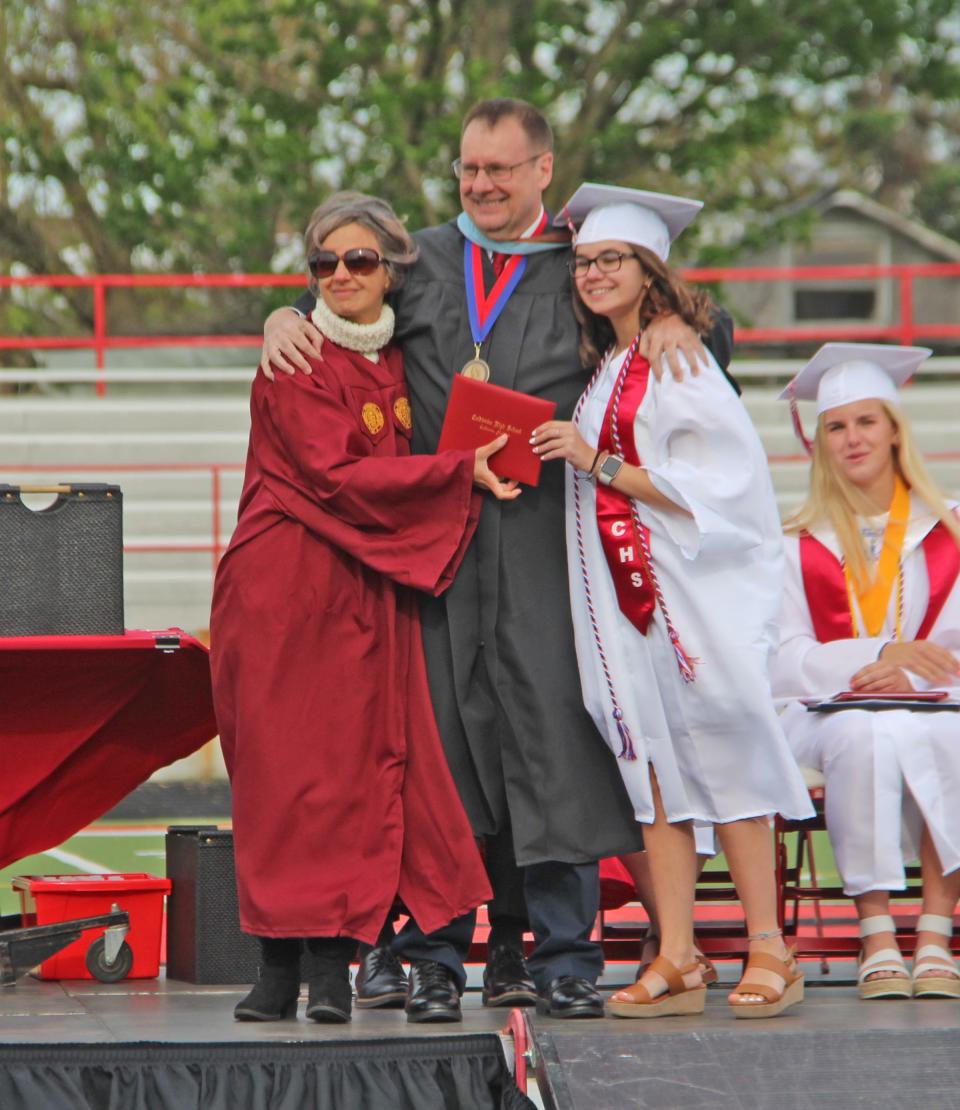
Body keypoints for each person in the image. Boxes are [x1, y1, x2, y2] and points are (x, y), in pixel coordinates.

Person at [259, 98, 735, 1021]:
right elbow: (342, 294)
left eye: (501, 171)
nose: (481, 186)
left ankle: (564, 955)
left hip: (551, 543)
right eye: (469, 170)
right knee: (443, 743)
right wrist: (282, 312)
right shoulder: (424, 260)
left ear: (543, 171)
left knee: (554, 741)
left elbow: (697, 332)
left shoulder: (579, 263)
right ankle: (436, 952)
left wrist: (683, 325)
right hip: (441, 541)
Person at [210, 191, 515, 1023]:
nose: (340, 276)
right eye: (322, 264)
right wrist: (459, 474)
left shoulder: (394, 357)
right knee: (285, 784)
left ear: (392, 271)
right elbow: (332, 476)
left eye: (359, 260)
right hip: (286, 597)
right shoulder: (297, 357)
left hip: (362, 591)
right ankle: (284, 970)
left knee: (355, 776)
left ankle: (323, 972)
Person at [531, 185, 814, 1019]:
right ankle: (681, 955)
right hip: (626, 616)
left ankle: (770, 945)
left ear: (650, 270)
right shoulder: (613, 364)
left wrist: (597, 462)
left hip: (687, 603)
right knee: (652, 774)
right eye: (583, 262)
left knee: (725, 761)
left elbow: (724, 489)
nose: (592, 274)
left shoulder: (678, 358)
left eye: (610, 259)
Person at [772, 343, 960, 1000]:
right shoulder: (798, 540)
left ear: (894, 429)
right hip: (826, 711)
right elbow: (780, 657)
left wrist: (921, 675)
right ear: (820, 441)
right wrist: (875, 658)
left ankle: (936, 933)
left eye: (865, 422)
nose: (852, 438)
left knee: (944, 736)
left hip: (940, 703)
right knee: (864, 736)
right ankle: (877, 932)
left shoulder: (951, 529)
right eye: (836, 426)